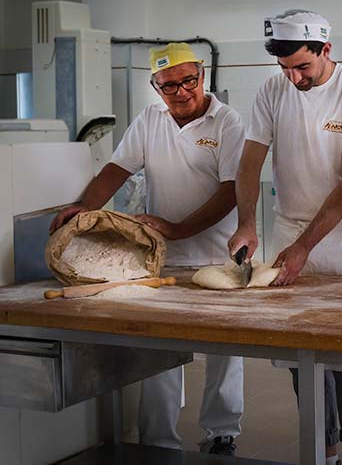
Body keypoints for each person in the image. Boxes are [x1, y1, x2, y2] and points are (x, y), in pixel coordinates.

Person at [51, 42, 245, 455]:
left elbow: (232, 191)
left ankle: (222, 432)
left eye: (188, 81)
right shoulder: (150, 120)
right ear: (155, 88)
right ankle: (159, 440)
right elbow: (117, 169)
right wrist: (85, 208)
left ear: (202, 77)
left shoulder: (227, 122)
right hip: (162, 257)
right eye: (168, 85)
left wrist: (177, 228)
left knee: (225, 351)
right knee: (161, 352)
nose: (180, 92)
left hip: (218, 254)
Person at [227, 10, 342, 465]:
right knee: (302, 354)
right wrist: (246, 223)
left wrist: (304, 249)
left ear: (326, 50)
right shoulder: (273, 89)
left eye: (303, 68)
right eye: (285, 69)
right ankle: (325, 451)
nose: (294, 78)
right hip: (289, 228)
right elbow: (250, 163)